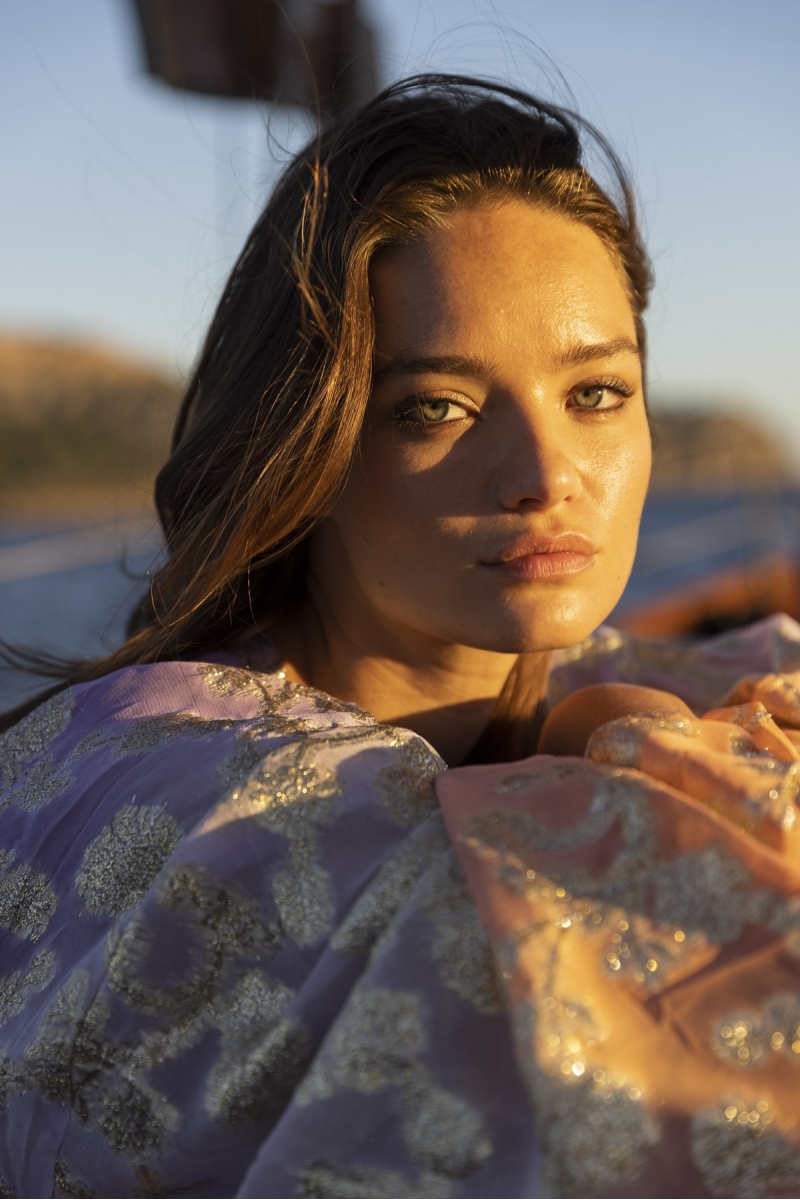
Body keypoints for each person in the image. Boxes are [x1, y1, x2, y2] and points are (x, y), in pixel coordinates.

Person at [1, 74, 799, 1199]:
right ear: (303, 438)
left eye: (595, 393)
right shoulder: (198, 795)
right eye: (435, 406)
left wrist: (595, 722)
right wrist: (623, 745)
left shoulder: (626, 685)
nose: (543, 477)